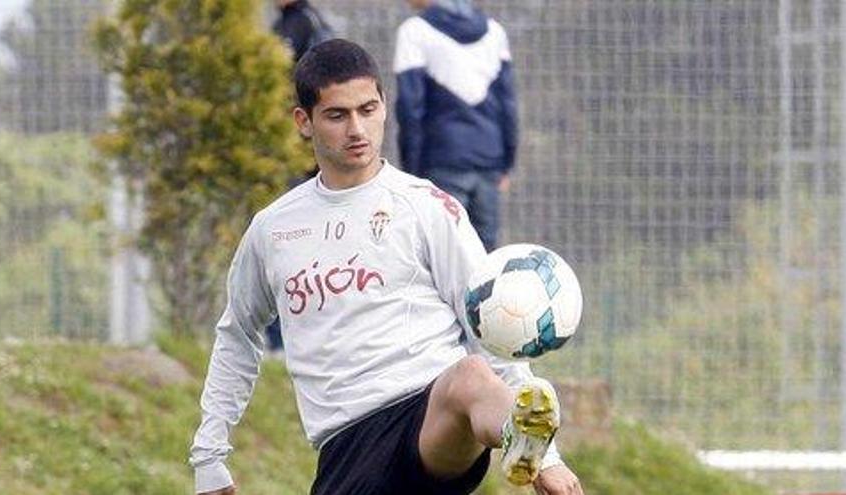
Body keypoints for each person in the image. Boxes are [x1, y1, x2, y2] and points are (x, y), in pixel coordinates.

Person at [189, 39, 583, 495]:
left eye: (368, 109)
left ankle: (522, 439)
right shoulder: (273, 230)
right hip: (347, 446)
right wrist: (210, 454)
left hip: (431, 421)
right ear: (304, 121)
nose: (357, 128)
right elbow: (239, 335)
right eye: (337, 115)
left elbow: (489, 326)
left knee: (471, 376)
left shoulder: (429, 208)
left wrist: (548, 458)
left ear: (383, 108)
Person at [394, 0, 518, 252]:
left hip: (440, 162)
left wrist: (412, 173)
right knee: (484, 261)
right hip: (488, 161)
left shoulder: (414, 31)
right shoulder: (495, 32)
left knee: (442, 255)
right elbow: (508, 105)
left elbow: (410, 109)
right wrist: (506, 163)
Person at [267, 0, 335, 356]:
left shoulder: (305, 24)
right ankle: (281, 340)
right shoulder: (287, 23)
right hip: (289, 155)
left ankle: (286, 341)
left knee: (296, 248)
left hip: (301, 159)